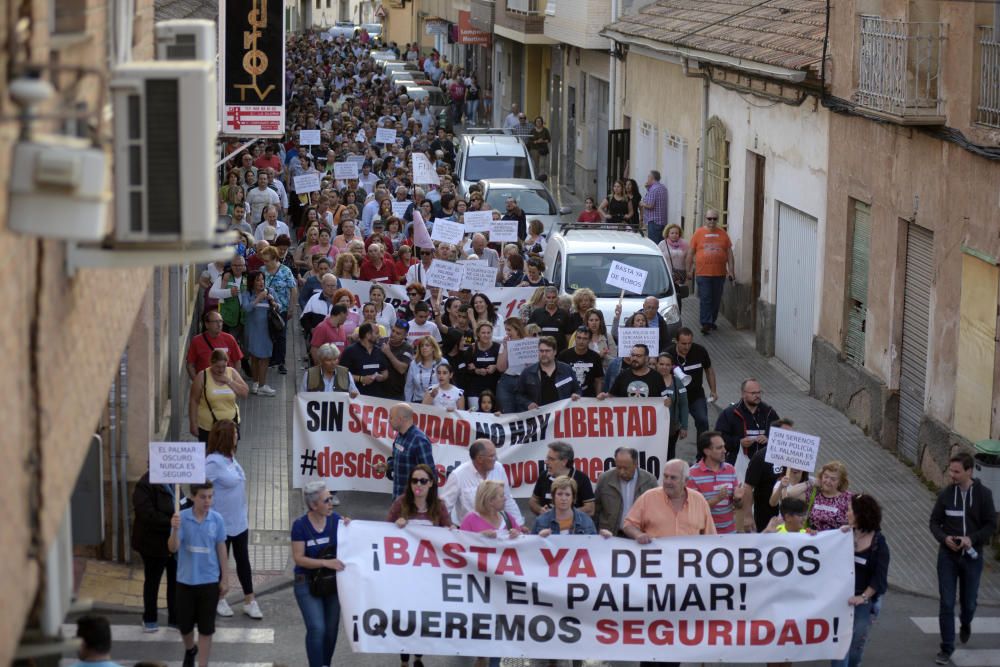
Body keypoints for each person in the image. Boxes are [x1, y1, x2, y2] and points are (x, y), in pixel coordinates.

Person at [623, 460, 716, 667]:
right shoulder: (648, 498)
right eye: (665, 476)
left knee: (675, 637)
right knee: (651, 635)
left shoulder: (699, 501)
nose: (667, 481)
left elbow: (710, 539)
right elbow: (628, 524)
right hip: (653, 582)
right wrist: (638, 534)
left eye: (673, 477)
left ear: (685, 480)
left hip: (685, 585)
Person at [930, 451, 997, 665]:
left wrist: (972, 538)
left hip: (972, 557)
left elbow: (991, 525)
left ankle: (966, 622)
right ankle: (946, 648)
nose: (952, 475)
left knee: (968, 602)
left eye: (957, 471)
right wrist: (944, 538)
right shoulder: (946, 495)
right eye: (951, 470)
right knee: (947, 603)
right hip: (948, 557)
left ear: (969, 471)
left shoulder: (984, 495)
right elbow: (934, 522)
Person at [387, 463, 451, 667]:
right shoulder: (401, 503)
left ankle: (419, 656)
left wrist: (453, 530)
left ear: (431, 483)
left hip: (429, 573)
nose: (419, 485)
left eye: (423, 481)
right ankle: (404, 658)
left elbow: (449, 530)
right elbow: (383, 531)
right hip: (405, 573)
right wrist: (395, 526)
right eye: (415, 480)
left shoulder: (438, 506)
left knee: (423, 616)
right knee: (406, 615)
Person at [204, 420, 261, 620]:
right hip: (222, 523)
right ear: (227, 437)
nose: (237, 437)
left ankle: (249, 600)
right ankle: (220, 598)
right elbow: (199, 486)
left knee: (243, 561)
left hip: (239, 521)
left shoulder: (230, 458)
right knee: (221, 562)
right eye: (235, 434)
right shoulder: (212, 462)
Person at [168, 482, 228, 667]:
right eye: (203, 497)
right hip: (185, 580)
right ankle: (189, 649)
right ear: (193, 496)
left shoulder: (217, 519)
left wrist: (225, 577)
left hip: (209, 580)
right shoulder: (182, 518)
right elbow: (173, 548)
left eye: (210, 496)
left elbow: (221, 547)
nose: (207, 501)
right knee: (184, 626)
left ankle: (202, 664)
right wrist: (175, 529)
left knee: (206, 629)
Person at [290, 481, 348, 667]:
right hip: (306, 581)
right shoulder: (300, 526)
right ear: (314, 505)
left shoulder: (336, 520)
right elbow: (299, 558)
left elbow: (353, 539)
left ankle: (325, 663)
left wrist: (351, 526)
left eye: (331, 498)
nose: (331, 503)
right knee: (317, 628)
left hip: (330, 581)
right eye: (326, 500)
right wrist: (325, 562)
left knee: (331, 630)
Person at [832, 493, 890, 667]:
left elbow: (879, 578)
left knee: (856, 647)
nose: (846, 512)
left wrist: (863, 598)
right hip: (841, 600)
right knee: (839, 646)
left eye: (850, 510)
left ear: (860, 515)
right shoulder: (844, 535)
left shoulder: (879, 544)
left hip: (864, 601)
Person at [132, 471, 187, 632]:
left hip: (173, 540)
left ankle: (174, 619)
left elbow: (182, 502)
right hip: (152, 543)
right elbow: (145, 513)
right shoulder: (145, 484)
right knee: (153, 581)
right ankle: (150, 619)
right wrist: (169, 521)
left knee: (174, 581)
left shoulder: (175, 483)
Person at [439, 438, 523, 526]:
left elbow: (507, 499)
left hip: (498, 532)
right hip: (469, 534)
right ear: (479, 459)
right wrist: (449, 529)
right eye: (492, 456)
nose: (496, 459)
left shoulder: (499, 468)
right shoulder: (458, 475)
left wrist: (519, 525)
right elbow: (444, 507)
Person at [715, 378, 780, 476]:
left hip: (765, 466)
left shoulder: (769, 413)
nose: (757, 396)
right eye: (753, 393)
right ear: (743, 394)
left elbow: (781, 435)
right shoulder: (729, 414)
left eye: (759, 392)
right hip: (738, 466)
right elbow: (718, 438)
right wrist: (739, 442)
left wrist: (768, 438)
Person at [686, 208, 735, 335]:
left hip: (719, 273)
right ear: (705, 219)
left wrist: (731, 271)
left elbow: (729, 253)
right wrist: (689, 270)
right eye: (709, 218)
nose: (712, 221)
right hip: (703, 273)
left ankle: (711, 321)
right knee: (706, 298)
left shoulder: (723, 233)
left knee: (716, 299)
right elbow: (690, 253)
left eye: (714, 219)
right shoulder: (698, 233)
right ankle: (705, 323)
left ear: (717, 220)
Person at [743, 417, 797, 532]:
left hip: (789, 517)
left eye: (792, 435)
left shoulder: (795, 458)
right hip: (765, 515)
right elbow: (748, 487)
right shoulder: (760, 457)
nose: (790, 439)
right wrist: (747, 515)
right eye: (786, 434)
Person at [375, 403, 435, 500]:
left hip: (412, 503)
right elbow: (399, 460)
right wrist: (387, 465)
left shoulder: (419, 440)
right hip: (398, 498)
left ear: (401, 419)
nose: (388, 421)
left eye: (391, 417)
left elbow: (430, 474)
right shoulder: (400, 436)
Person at [593, 447, 659, 535]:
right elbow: (596, 508)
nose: (621, 472)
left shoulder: (649, 481)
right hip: (610, 535)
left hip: (640, 535)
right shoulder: (605, 479)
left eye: (625, 468)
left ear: (636, 464)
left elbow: (656, 510)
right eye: (618, 467)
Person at [686, 431, 742, 534]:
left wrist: (738, 499)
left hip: (730, 533)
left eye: (724, 447)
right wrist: (717, 499)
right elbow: (694, 509)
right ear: (707, 451)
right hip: (706, 535)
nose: (724, 451)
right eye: (719, 448)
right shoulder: (692, 474)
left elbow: (737, 506)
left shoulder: (730, 469)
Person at [188, 349, 247, 442]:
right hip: (208, 427)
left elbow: (244, 393)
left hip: (230, 425)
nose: (221, 370)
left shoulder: (231, 373)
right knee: (209, 455)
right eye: (217, 367)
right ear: (211, 363)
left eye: (224, 366)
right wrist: (193, 423)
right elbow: (193, 401)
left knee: (228, 455)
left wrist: (228, 381)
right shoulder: (202, 376)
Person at [666, 327, 717, 435]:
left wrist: (713, 390)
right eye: (683, 344)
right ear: (676, 341)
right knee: (671, 428)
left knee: (703, 421)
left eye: (690, 343)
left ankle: (703, 450)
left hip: (696, 395)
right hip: (676, 397)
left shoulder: (700, 351)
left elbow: (708, 369)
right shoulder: (668, 354)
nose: (687, 347)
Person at [530, 441, 595, 516]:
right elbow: (533, 501)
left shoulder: (581, 478)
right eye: (547, 458)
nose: (546, 462)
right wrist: (540, 510)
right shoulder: (544, 476)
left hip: (573, 526)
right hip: (547, 525)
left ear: (564, 461)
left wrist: (564, 514)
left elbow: (590, 509)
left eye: (551, 459)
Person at [515, 336, 580, 410]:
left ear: (555, 352)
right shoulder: (528, 372)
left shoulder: (566, 370)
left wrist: (576, 395)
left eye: (547, 351)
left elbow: (577, 389)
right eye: (541, 351)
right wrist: (528, 404)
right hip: (539, 417)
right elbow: (518, 395)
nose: (544, 354)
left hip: (562, 415)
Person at [533, 476, 611, 537]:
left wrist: (604, 539)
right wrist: (539, 539)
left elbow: (594, 548)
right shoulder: (541, 521)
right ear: (553, 496)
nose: (563, 498)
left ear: (573, 497)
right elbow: (530, 550)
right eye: (559, 494)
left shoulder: (586, 521)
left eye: (567, 494)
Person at [240, 270, 277, 396]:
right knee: (254, 357)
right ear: (252, 282)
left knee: (265, 357)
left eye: (262, 279)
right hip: (253, 330)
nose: (261, 282)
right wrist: (259, 298)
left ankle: (262, 384)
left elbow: (280, 307)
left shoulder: (270, 291)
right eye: (257, 280)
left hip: (267, 330)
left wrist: (273, 302)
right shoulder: (246, 294)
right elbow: (246, 308)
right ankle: (256, 384)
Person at [185, 311, 243, 380]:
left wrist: (233, 379)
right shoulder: (197, 341)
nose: (219, 324)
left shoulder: (229, 339)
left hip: (226, 383)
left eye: (220, 321)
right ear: (207, 324)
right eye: (215, 321)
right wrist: (197, 382)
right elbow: (190, 365)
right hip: (206, 383)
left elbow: (237, 361)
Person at [601, 344, 666, 399]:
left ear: (646, 358)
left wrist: (668, 400)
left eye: (638, 356)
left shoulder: (657, 377)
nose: (634, 358)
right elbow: (612, 395)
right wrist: (604, 396)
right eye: (632, 355)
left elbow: (665, 396)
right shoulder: (622, 375)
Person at [340, 323, 389, 396]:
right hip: (356, 399)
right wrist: (361, 379)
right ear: (368, 335)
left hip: (377, 399)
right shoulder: (349, 351)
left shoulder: (379, 351)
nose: (379, 336)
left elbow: (385, 372)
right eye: (376, 333)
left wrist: (382, 377)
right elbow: (341, 375)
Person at [655, 353, 688, 460]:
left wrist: (684, 426)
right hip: (653, 427)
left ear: (672, 366)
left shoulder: (677, 382)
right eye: (661, 364)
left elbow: (684, 405)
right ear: (656, 365)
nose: (664, 367)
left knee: (669, 453)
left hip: (672, 428)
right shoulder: (650, 380)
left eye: (667, 365)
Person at [804, 461, 853, 531]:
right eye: (826, 476)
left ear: (840, 482)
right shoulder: (814, 493)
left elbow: (857, 521)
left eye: (833, 479)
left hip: (837, 540)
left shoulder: (848, 498)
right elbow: (790, 493)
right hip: (814, 539)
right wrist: (811, 483)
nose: (828, 481)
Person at [558, 327, 604, 397]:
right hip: (568, 398)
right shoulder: (563, 355)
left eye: (585, 338)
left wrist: (598, 396)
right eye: (579, 338)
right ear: (575, 338)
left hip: (589, 397)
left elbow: (598, 380)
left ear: (589, 340)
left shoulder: (595, 357)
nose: (581, 341)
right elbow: (558, 378)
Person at [378, 321, 413, 400]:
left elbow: (402, 369)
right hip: (377, 391)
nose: (393, 334)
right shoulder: (381, 342)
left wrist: (388, 353)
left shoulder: (408, 348)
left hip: (396, 394)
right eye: (393, 331)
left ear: (405, 335)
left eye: (398, 333)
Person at [405, 335, 442, 403]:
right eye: (422, 346)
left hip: (438, 402)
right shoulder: (414, 363)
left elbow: (446, 384)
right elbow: (409, 387)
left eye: (427, 345)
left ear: (433, 348)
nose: (424, 348)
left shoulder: (442, 362)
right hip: (418, 402)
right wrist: (408, 403)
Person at [659, 223, 689, 302]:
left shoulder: (685, 244)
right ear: (667, 233)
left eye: (676, 233)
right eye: (672, 233)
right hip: (666, 275)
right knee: (668, 296)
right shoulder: (662, 244)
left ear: (679, 234)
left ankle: (678, 311)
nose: (674, 235)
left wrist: (688, 275)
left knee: (678, 297)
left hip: (680, 276)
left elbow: (688, 260)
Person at [638, 170, 669, 244]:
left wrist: (642, 203)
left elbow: (650, 205)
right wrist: (648, 188)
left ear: (652, 178)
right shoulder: (663, 187)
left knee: (654, 245)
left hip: (654, 222)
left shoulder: (653, 189)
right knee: (661, 244)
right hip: (662, 221)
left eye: (648, 177)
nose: (647, 179)